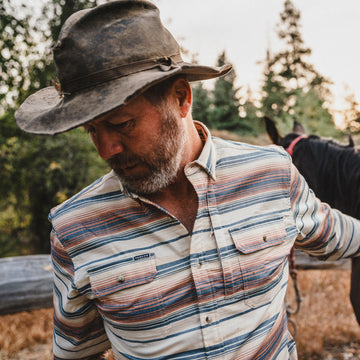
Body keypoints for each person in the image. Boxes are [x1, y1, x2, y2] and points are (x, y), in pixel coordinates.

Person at [15, 1, 360, 359]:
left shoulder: (271, 173)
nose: (105, 149)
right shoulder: (75, 229)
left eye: (121, 124)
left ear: (181, 97)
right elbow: (75, 353)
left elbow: (339, 234)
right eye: (91, 130)